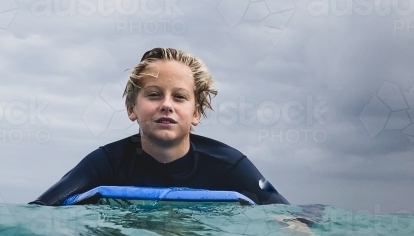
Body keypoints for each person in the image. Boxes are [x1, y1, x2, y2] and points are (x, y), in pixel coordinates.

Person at [32, 47, 289, 206]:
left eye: (179, 97)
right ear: (132, 109)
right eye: (154, 95)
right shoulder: (108, 163)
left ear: (196, 113)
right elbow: (41, 209)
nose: (167, 105)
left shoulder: (228, 166)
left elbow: (290, 215)